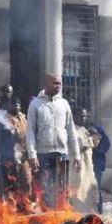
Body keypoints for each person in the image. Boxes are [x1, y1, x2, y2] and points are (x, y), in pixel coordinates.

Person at [26, 74, 81, 210]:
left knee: (62, 187)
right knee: (45, 188)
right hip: (43, 154)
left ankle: (60, 217)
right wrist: (32, 154)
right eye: (55, 83)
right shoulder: (36, 104)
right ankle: (48, 217)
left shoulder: (64, 104)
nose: (58, 86)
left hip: (61, 153)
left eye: (59, 83)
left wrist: (77, 155)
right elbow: (30, 131)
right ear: (46, 85)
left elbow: (71, 130)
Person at [68, 107, 100, 213]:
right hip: (77, 168)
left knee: (90, 191)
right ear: (74, 116)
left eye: (85, 116)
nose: (84, 118)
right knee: (78, 193)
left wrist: (94, 136)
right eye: (81, 116)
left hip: (88, 167)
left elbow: (95, 143)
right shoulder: (71, 130)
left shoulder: (83, 129)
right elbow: (82, 144)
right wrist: (92, 138)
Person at [5, 98, 32, 213]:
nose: (16, 107)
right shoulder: (5, 120)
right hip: (11, 156)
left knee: (26, 180)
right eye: (14, 104)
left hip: (24, 154)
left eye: (18, 105)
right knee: (12, 183)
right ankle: (12, 207)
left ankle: (25, 205)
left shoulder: (23, 118)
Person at [90, 120, 111, 214]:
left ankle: (99, 210)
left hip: (96, 162)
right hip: (84, 161)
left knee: (96, 186)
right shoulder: (77, 129)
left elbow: (106, 143)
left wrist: (97, 152)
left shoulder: (97, 129)